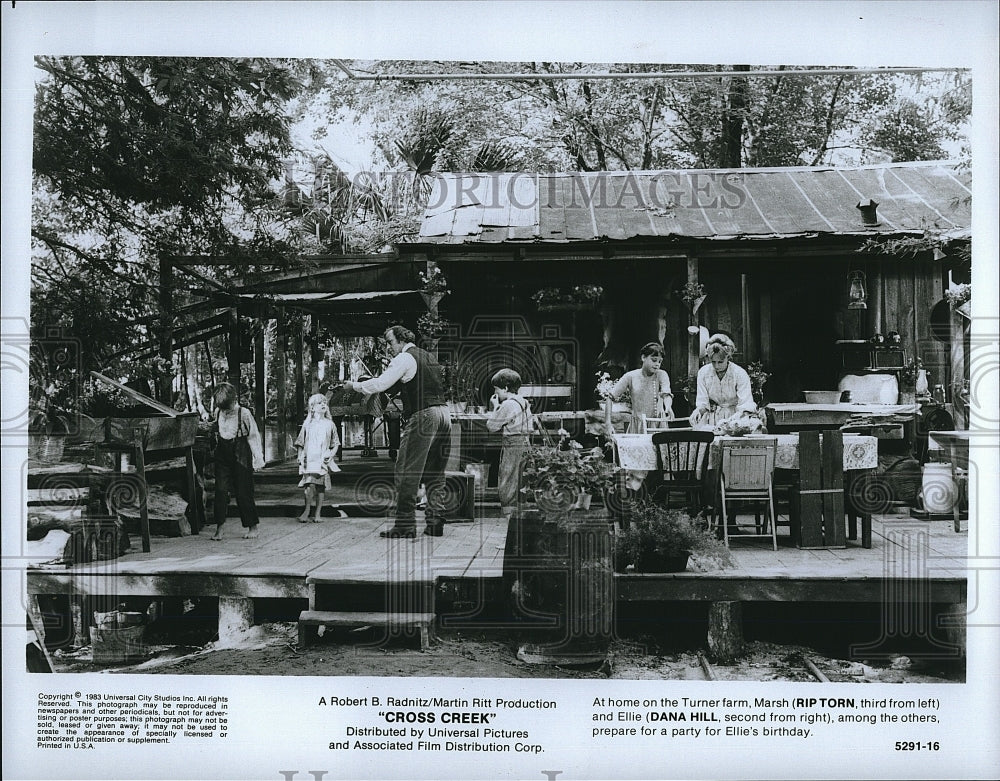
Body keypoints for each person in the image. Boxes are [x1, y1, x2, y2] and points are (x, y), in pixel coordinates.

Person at [344, 325, 452, 539]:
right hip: (444, 415)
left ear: (402, 340)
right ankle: (435, 522)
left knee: (406, 471)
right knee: (436, 472)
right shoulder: (428, 357)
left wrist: (354, 386)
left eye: (390, 342)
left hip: (424, 416)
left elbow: (382, 384)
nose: (388, 347)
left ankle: (405, 525)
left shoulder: (404, 358)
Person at [209, 382, 264, 540]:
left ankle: (252, 526)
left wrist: (258, 459)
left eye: (228, 407)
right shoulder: (218, 411)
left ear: (234, 400)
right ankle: (220, 527)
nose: (226, 410)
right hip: (223, 454)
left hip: (241, 453)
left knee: (243, 491)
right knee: (220, 490)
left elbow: (253, 436)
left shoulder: (244, 413)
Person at [486, 369, 534, 516]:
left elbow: (491, 426)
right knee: (522, 480)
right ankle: (520, 514)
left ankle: (508, 515)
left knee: (508, 479)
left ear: (506, 388)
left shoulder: (508, 404)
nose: (496, 393)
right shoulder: (524, 402)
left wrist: (495, 407)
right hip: (525, 442)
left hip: (512, 444)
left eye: (497, 389)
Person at [689, 333, 757, 428]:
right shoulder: (703, 373)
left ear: (728, 357)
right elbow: (703, 401)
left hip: (736, 418)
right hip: (713, 418)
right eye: (713, 362)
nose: (716, 366)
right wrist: (698, 411)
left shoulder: (739, 373)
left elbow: (746, 403)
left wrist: (737, 418)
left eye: (720, 362)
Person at [294, 393, 341, 523]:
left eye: (325, 403)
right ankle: (307, 510)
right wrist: (299, 456)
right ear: (312, 408)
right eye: (320, 403)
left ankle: (318, 513)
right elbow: (300, 442)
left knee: (320, 486)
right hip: (309, 459)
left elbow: (335, 443)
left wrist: (331, 455)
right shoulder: (307, 424)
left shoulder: (330, 424)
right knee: (308, 484)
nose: (323, 405)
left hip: (322, 459)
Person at [611, 342, 674, 433]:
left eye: (660, 361)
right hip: (638, 426)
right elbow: (610, 397)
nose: (657, 364)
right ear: (643, 357)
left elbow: (666, 393)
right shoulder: (630, 376)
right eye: (654, 360)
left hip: (658, 425)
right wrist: (608, 424)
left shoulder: (662, 375)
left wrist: (668, 406)